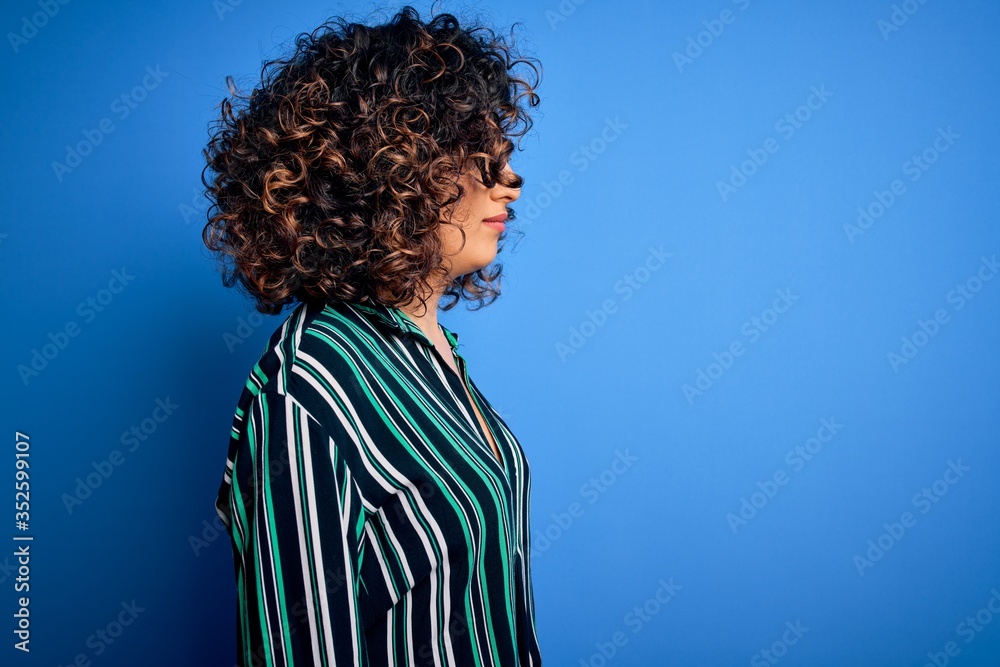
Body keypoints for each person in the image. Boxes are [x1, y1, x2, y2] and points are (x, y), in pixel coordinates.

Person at [199, 5, 542, 666]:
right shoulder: (307, 387)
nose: (511, 183)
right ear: (392, 171)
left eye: (504, 154)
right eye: (479, 156)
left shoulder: (431, 355)